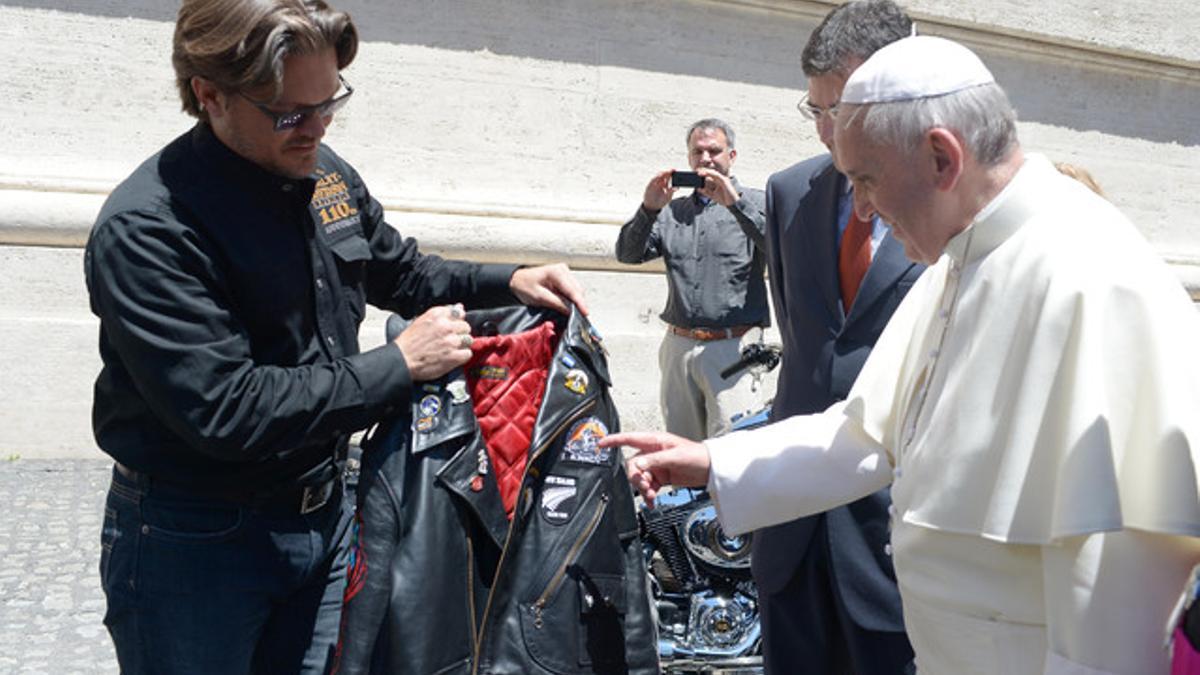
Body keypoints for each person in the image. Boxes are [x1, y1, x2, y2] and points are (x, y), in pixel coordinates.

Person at [603, 35, 1200, 674]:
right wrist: (711, 460)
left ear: (942, 158)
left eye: (866, 180)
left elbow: (1115, 579)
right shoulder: (964, 252)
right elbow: (869, 433)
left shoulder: (1092, 273)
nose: (862, 207)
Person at [84, 1, 585, 672]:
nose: (317, 128)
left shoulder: (322, 174)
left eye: (330, 103)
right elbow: (227, 407)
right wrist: (399, 364)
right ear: (210, 96)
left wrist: (512, 278)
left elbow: (405, 272)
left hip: (325, 522)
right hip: (197, 542)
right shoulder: (151, 229)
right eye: (291, 112)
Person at [753, 2, 921, 672]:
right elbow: (807, 354)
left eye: (841, 109)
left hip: (893, 548)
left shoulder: (951, 206)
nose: (826, 131)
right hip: (792, 541)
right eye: (814, 109)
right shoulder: (788, 193)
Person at [615, 119, 769, 439]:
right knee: (680, 450)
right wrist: (648, 209)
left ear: (732, 155)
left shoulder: (757, 202)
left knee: (735, 452)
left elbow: (780, 248)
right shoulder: (672, 211)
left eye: (714, 150)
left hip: (734, 348)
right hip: (679, 347)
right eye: (697, 151)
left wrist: (736, 205)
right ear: (688, 158)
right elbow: (628, 254)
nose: (706, 158)